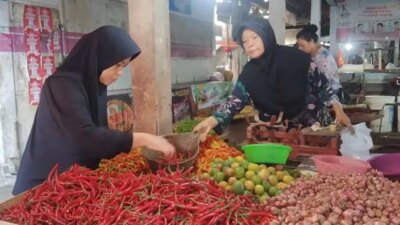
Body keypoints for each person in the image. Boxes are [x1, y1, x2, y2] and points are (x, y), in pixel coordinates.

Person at [12, 26, 175, 195]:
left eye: (124, 66)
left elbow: (95, 136)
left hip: (73, 182)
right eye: (117, 64)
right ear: (99, 57)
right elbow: (85, 139)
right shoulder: (62, 85)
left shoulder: (93, 86)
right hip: (43, 185)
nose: (119, 73)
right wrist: (144, 139)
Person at [193, 16, 311, 141]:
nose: (250, 44)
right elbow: (236, 99)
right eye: (244, 41)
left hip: (306, 129)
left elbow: (319, 89)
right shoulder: (249, 72)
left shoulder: (297, 59)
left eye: (255, 37)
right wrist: (213, 120)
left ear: (266, 36)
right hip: (271, 133)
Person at [296, 24, 353, 131]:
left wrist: (335, 107)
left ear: (312, 42)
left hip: (329, 99)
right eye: (299, 46)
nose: (300, 48)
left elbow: (326, 86)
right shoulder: (311, 56)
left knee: (325, 127)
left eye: (302, 45)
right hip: (320, 98)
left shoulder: (323, 59)